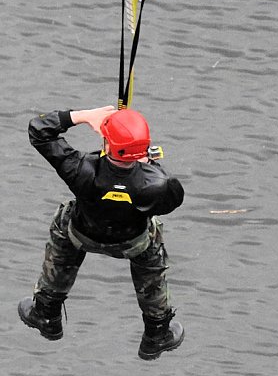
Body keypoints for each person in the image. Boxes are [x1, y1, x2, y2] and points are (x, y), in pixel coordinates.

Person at [18, 105, 185, 360]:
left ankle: (46, 313)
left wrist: (83, 116)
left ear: (108, 144)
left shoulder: (80, 168)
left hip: (81, 235)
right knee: (152, 243)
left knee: (64, 220)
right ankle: (157, 332)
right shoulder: (158, 183)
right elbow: (172, 201)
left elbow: (39, 130)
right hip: (132, 242)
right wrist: (147, 165)